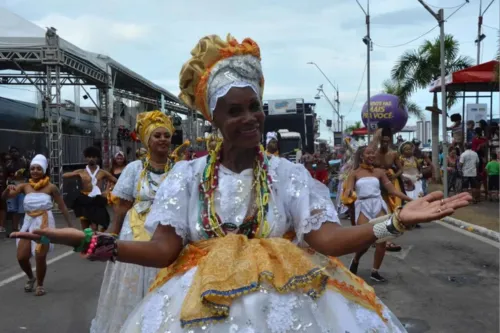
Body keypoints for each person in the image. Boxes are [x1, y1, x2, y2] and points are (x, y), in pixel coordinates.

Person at [11, 34, 471, 333]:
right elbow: (162, 251)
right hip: (197, 306)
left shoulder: (287, 174)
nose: (250, 118)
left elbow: (326, 239)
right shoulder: (187, 176)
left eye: (255, 106)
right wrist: (87, 241)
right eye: (235, 111)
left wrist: (393, 222)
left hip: (290, 308)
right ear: (215, 119)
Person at [90, 111, 176, 333]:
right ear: (148, 141)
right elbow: (121, 207)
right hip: (134, 232)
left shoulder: (180, 169)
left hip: (168, 232)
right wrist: (112, 235)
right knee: (132, 282)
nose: (163, 139)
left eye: (166, 135)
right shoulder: (134, 169)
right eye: (157, 135)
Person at [2, 155, 73, 296]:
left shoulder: (51, 187)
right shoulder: (24, 186)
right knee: (21, 257)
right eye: (32, 168)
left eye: (38, 168)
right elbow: (5, 197)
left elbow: (62, 206)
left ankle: (40, 284)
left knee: (40, 255)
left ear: (44, 170)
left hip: (45, 223)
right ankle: (31, 277)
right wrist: (7, 189)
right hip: (28, 222)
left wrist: (70, 226)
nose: (35, 171)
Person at [345, 146, 412, 282]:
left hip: (378, 204)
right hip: (362, 205)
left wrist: (411, 200)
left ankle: (375, 272)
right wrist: (348, 193)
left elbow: (392, 190)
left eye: (373, 153)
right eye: (368, 153)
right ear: (362, 156)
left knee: (382, 240)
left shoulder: (380, 172)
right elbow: (348, 190)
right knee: (364, 241)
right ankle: (356, 259)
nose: (371, 155)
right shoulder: (354, 173)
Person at [63, 146, 117, 231]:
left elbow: (115, 181)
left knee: (95, 227)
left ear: (98, 158)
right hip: (84, 199)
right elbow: (64, 175)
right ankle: (87, 243)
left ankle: (95, 242)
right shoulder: (81, 171)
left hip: (96, 200)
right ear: (86, 158)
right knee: (85, 227)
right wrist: (76, 175)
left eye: (94, 157)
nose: (91, 159)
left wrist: (108, 190)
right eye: (89, 157)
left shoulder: (102, 172)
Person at [369, 127, 405, 251]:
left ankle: (385, 239)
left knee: (388, 211)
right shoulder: (373, 153)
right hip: (375, 185)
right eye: (383, 140)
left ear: (389, 141)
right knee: (376, 211)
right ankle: (376, 238)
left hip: (389, 184)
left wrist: (394, 175)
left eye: (387, 141)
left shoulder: (393, 154)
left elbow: (401, 169)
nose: (385, 143)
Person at [5, 146, 30, 232]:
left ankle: (24, 228)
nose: (14, 153)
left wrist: (23, 173)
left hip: (23, 185)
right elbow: (5, 175)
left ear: (19, 152)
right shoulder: (8, 163)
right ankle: (14, 229)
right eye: (12, 152)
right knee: (12, 209)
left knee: (22, 208)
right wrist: (10, 180)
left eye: (15, 151)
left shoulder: (25, 161)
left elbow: (30, 173)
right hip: (12, 186)